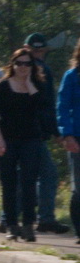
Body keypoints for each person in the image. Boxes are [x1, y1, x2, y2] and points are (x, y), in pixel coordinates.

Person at [0, 48, 53, 243]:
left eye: (27, 64)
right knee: (9, 184)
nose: (23, 67)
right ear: (13, 65)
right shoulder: (3, 86)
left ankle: (28, 226)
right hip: (8, 139)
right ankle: (11, 224)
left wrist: (29, 84)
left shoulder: (37, 86)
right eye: (19, 63)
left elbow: (42, 106)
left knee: (28, 183)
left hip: (31, 140)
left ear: (32, 66)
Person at [23, 33, 70, 234]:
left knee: (29, 175)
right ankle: (44, 218)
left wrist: (53, 130)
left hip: (34, 132)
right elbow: (46, 106)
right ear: (26, 49)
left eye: (41, 50)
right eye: (34, 50)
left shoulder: (20, 70)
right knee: (46, 174)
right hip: (30, 133)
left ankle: (13, 218)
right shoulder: (38, 71)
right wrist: (56, 132)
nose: (38, 54)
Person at [58, 41, 80, 243]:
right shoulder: (72, 76)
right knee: (78, 187)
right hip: (76, 137)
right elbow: (62, 106)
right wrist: (67, 134)